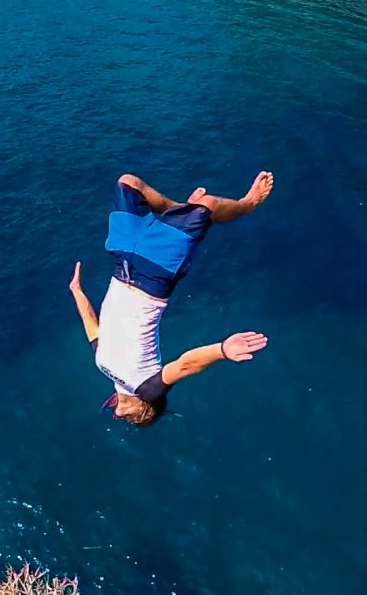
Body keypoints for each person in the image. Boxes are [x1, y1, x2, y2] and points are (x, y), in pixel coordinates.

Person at [69, 171, 274, 426]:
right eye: (135, 419)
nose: (123, 416)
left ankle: (177, 210)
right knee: (207, 205)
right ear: (146, 408)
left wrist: (77, 292)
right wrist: (221, 350)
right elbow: (185, 365)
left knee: (128, 183)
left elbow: (92, 329)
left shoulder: (104, 366)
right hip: (156, 274)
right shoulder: (148, 388)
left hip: (122, 262)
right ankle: (247, 204)